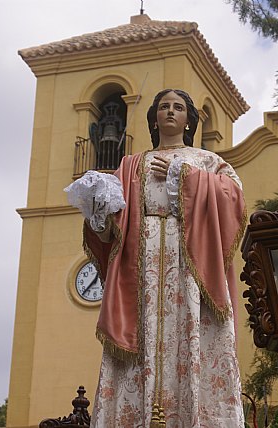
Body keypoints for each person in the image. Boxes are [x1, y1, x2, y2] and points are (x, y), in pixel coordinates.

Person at [78, 89, 246, 427]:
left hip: (188, 265)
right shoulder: (129, 165)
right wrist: (98, 212)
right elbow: (111, 231)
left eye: (179, 107)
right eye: (164, 106)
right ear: (154, 117)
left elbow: (234, 199)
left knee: (189, 336)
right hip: (140, 271)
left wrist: (183, 176)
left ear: (189, 120)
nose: (170, 112)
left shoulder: (207, 162)